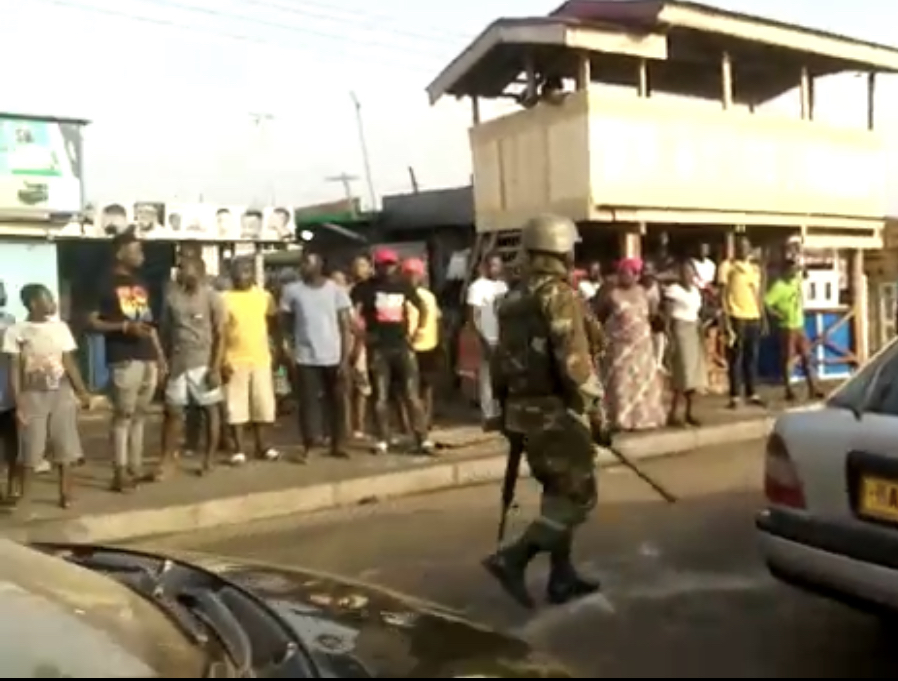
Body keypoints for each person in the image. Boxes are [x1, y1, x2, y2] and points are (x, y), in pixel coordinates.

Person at [483, 214, 607, 608]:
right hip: (557, 412)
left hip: (523, 413)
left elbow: (500, 361)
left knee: (557, 492)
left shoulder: (512, 300)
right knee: (578, 497)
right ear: (560, 250)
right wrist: (596, 411)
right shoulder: (559, 296)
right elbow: (574, 362)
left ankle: (562, 577)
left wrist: (504, 411)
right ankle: (513, 558)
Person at [3, 284, 94, 508]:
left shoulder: (61, 328)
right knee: (31, 448)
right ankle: (26, 495)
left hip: (61, 392)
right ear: (34, 303)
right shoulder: (17, 331)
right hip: (33, 393)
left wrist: (82, 392)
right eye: (48, 299)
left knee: (65, 444)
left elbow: (68, 362)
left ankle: (66, 493)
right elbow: (15, 369)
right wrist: (18, 402)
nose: (53, 303)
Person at [88, 231, 166, 492]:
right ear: (121, 252)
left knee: (140, 415)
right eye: (136, 249)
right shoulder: (103, 282)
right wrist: (122, 327)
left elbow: (147, 323)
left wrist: (160, 357)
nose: (141, 254)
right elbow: (91, 321)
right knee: (123, 415)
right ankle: (119, 471)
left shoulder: (138, 282)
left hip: (147, 357)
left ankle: (135, 467)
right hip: (123, 357)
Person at [351, 248, 433, 455]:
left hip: (402, 345)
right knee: (380, 396)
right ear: (376, 266)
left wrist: (417, 332)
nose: (388, 268)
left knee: (412, 395)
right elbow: (352, 314)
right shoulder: (364, 288)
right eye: (384, 264)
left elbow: (422, 307)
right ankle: (382, 438)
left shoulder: (403, 285)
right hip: (378, 348)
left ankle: (422, 437)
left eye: (392, 264)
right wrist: (361, 335)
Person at [280, 252, 352, 460]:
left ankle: (338, 443)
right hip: (305, 356)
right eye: (302, 263)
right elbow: (284, 324)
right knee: (308, 403)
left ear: (320, 266)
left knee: (337, 401)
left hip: (333, 355)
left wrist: (345, 359)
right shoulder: (292, 291)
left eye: (308, 263)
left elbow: (344, 325)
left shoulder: (335, 290)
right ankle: (310, 444)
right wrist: (289, 351)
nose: (303, 267)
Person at [159, 257, 225, 477]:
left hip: (203, 362)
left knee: (210, 410)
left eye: (185, 269)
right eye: (179, 269)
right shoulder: (171, 299)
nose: (181, 273)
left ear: (199, 271)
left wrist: (215, 367)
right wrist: (163, 363)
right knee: (173, 411)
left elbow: (220, 335)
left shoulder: (212, 297)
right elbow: (165, 333)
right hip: (178, 363)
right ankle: (168, 459)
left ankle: (209, 459)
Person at [221, 259, 283, 465]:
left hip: (261, 358)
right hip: (234, 359)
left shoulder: (264, 297)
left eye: (246, 271)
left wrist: (278, 351)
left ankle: (263, 446)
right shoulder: (224, 299)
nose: (242, 276)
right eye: (238, 272)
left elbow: (274, 325)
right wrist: (222, 360)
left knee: (262, 404)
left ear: (253, 274)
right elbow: (220, 333)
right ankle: (239, 449)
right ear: (231, 275)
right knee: (235, 407)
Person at [597, 258, 666, 431]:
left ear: (636, 275)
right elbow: (599, 315)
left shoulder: (643, 292)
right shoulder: (611, 294)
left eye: (630, 273)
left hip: (641, 346)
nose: (625, 277)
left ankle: (643, 420)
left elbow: (652, 314)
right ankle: (621, 420)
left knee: (641, 383)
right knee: (620, 384)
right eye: (622, 273)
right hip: (619, 347)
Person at [765, 258, 824, 402]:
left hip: (799, 324)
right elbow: (766, 303)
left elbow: (805, 275)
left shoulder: (795, 280)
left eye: (794, 270)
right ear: (784, 271)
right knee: (788, 359)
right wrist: (777, 314)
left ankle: (813, 387)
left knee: (807, 356)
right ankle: (789, 389)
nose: (793, 273)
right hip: (787, 326)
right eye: (790, 271)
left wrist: (802, 265)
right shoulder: (778, 287)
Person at [718, 236, 764, 408]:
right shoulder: (727, 267)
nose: (743, 250)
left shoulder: (754, 268)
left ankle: (752, 392)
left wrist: (761, 315)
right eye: (740, 247)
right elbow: (722, 294)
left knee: (752, 357)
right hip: (736, 315)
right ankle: (735, 395)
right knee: (736, 356)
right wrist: (725, 318)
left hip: (753, 316)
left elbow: (757, 294)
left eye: (746, 247)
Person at [466, 252, 508, 429]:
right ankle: (488, 415)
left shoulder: (503, 286)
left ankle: (502, 413)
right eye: (492, 265)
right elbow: (473, 315)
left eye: (498, 265)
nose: (495, 269)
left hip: (504, 338)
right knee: (487, 378)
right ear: (485, 267)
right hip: (487, 337)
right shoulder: (477, 287)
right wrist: (482, 338)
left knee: (503, 377)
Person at [664, 260, 706, 426]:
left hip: (694, 329)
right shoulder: (673, 291)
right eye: (684, 272)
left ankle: (690, 412)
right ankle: (674, 414)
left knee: (695, 376)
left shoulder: (695, 291)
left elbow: (697, 313)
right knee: (683, 373)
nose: (687, 276)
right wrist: (669, 336)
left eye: (690, 272)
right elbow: (667, 316)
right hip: (680, 330)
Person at [402, 257, 441, 429]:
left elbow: (437, 318)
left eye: (415, 273)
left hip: (429, 346)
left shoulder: (429, 296)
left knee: (427, 386)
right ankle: (409, 423)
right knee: (408, 388)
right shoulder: (401, 295)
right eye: (408, 274)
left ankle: (426, 420)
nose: (412, 277)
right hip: (408, 346)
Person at [347, 255, 373, 438]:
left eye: (363, 265)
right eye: (356, 265)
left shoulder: (376, 288)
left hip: (374, 340)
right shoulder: (348, 291)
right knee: (352, 386)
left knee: (367, 387)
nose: (359, 269)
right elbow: (353, 319)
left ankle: (361, 425)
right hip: (354, 340)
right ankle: (353, 426)